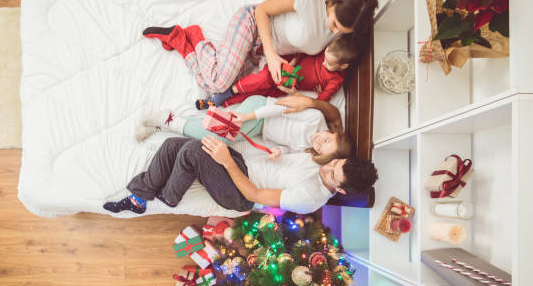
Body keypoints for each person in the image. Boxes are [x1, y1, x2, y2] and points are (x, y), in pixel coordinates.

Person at [104, 96, 378, 215]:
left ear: (340, 191)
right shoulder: (325, 158)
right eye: (335, 164)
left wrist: (224, 160)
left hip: (241, 194)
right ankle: (139, 198)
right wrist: (277, 148)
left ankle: (169, 197)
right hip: (244, 165)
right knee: (172, 146)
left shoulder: (310, 198)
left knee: (190, 152)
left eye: (333, 175)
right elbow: (325, 116)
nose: (327, 169)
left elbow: (255, 196)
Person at [142, 0, 378, 98]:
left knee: (210, 87)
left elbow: (309, 49)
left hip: (261, 54)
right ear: (335, 0)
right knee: (219, 83)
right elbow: (261, 10)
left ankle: (183, 40)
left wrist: (292, 66)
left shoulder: (348, 30)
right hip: (253, 25)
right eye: (335, 23)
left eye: (341, 32)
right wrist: (273, 55)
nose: (334, 33)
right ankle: (193, 36)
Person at [137, 93, 352, 164]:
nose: (318, 140)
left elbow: (288, 147)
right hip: (260, 108)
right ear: (332, 132)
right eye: (325, 139)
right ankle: (168, 120)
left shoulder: (307, 147)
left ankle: (168, 121)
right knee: (221, 139)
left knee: (221, 139)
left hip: (258, 127)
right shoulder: (314, 118)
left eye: (321, 147)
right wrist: (247, 116)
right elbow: (277, 108)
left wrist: (279, 151)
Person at [195, 33, 360, 110]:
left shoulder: (336, 81)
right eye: (324, 57)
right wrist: (293, 62)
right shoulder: (325, 51)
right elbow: (305, 52)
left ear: (343, 66)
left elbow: (320, 102)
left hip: (288, 86)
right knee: (262, 79)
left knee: (259, 94)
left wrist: (294, 93)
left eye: (329, 64)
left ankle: (219, 103)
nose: (323, 63)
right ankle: (225, 93)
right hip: (285, 68)